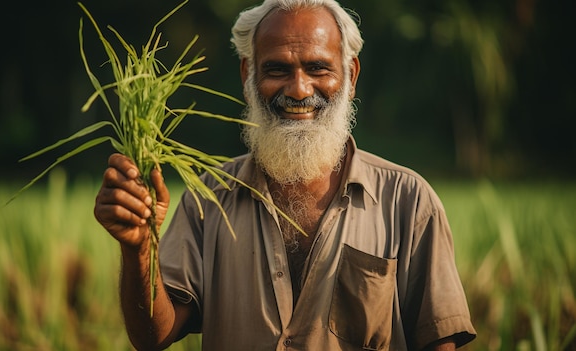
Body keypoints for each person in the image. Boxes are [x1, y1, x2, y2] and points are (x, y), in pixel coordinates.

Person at [93, 0, 477, 350]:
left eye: (317, 68)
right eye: (277, 69)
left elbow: (437, 341)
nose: (298, 89)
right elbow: (153, 335)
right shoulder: (207, 199)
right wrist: (139, 248)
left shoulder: (408, 202)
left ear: (350, 74)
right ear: (248, 75)